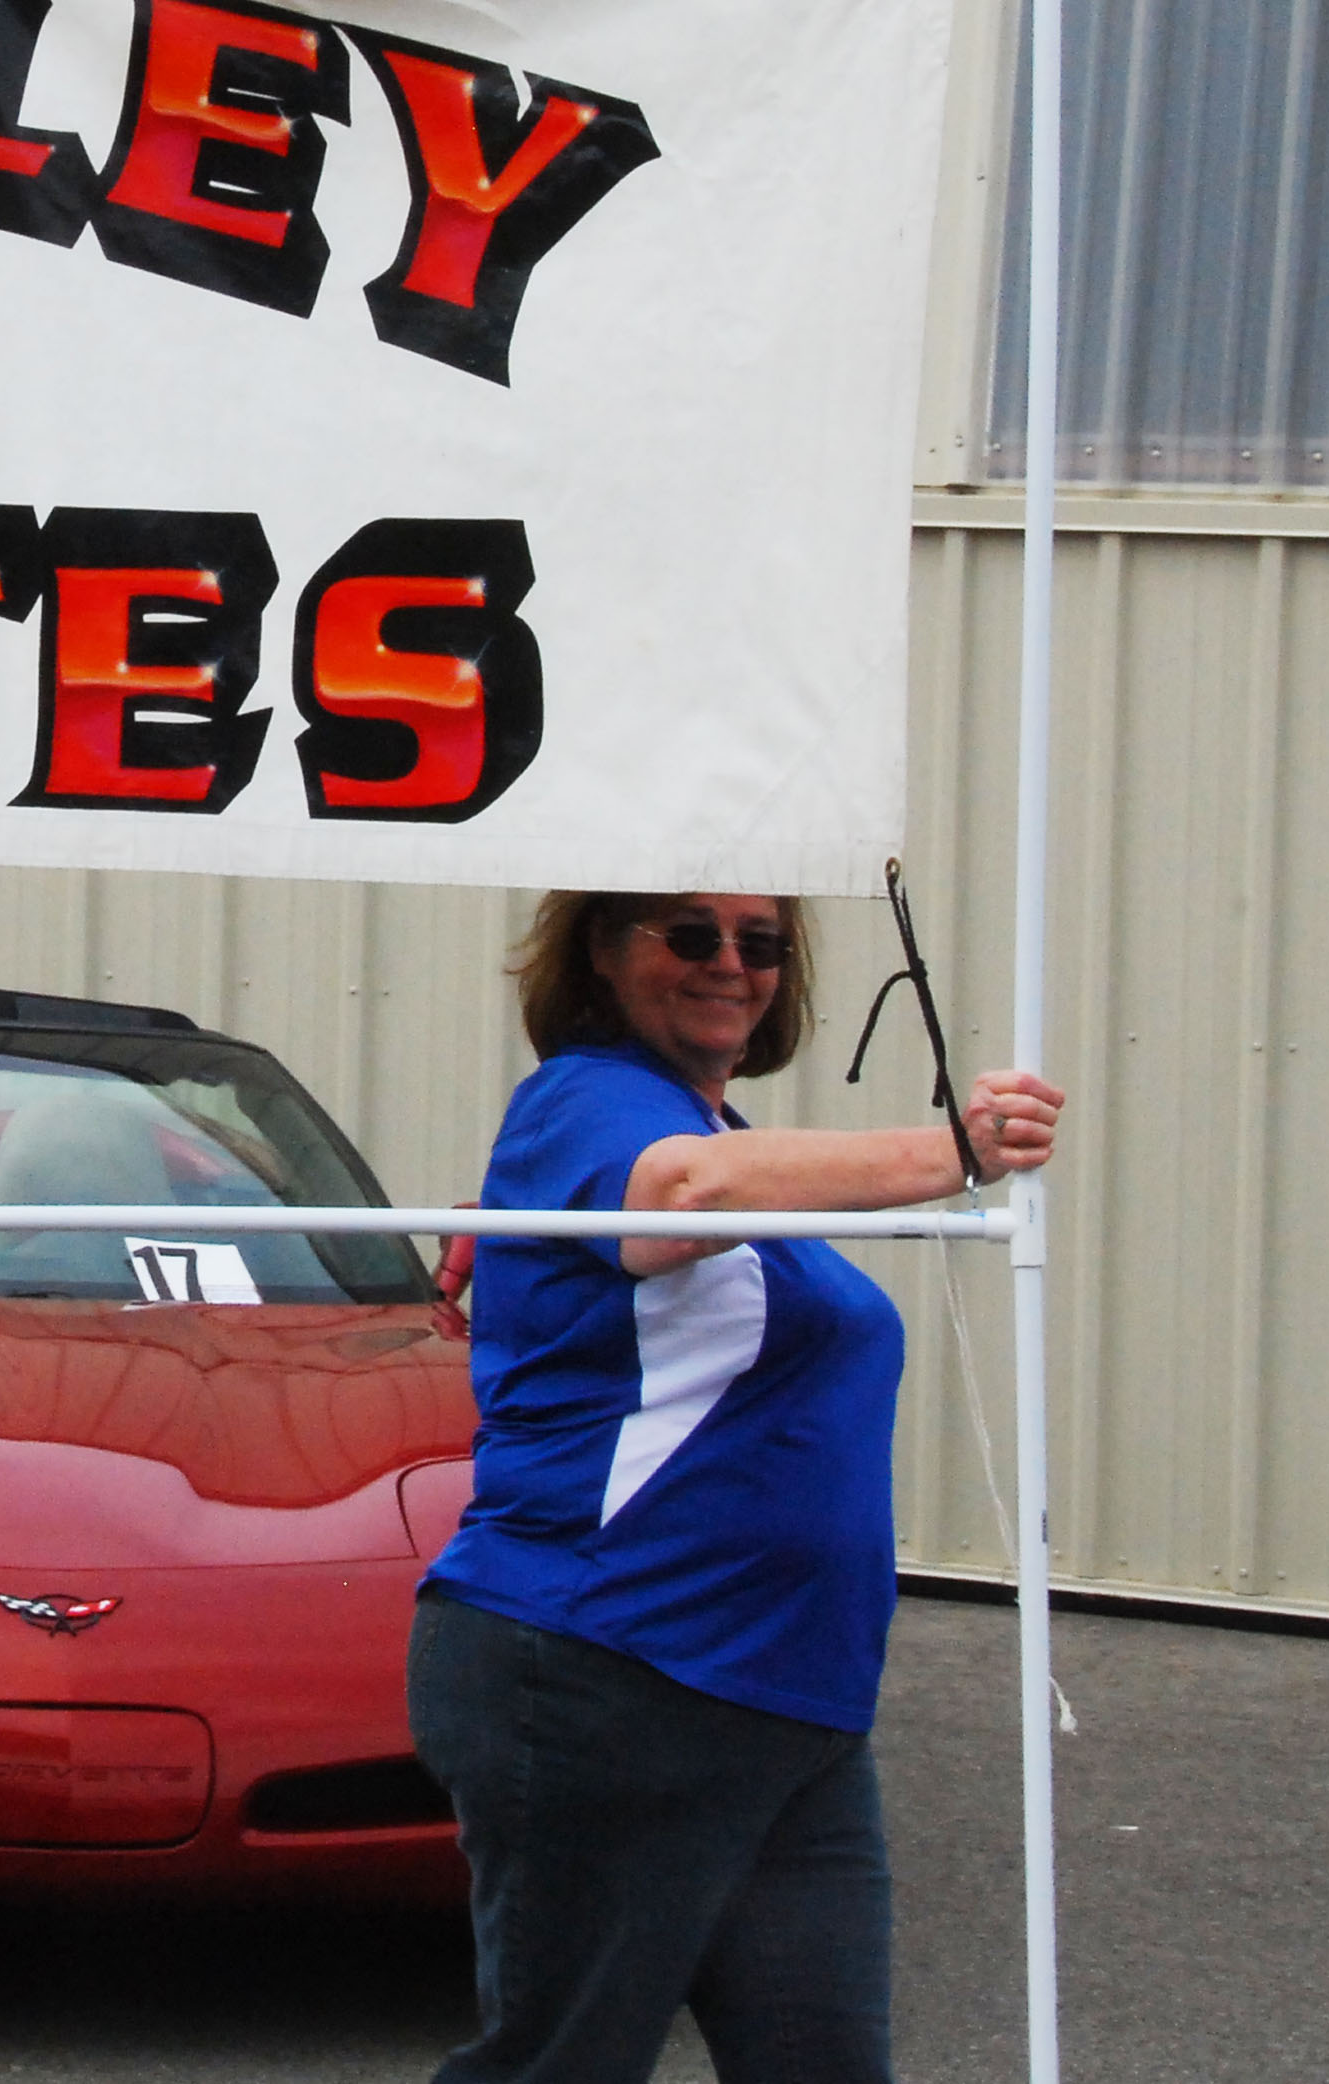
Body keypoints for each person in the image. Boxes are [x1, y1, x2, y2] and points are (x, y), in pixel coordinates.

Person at [407, 889, 1064, 2084]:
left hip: (790, 1705)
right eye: (689, 934)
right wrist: (955, 1152)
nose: (730, 964)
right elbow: (680, 1199)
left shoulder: (726, 1136)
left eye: (760, 943)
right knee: (561, 2067)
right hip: (613, 1667)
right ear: (602, 955)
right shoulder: (586, 1101)